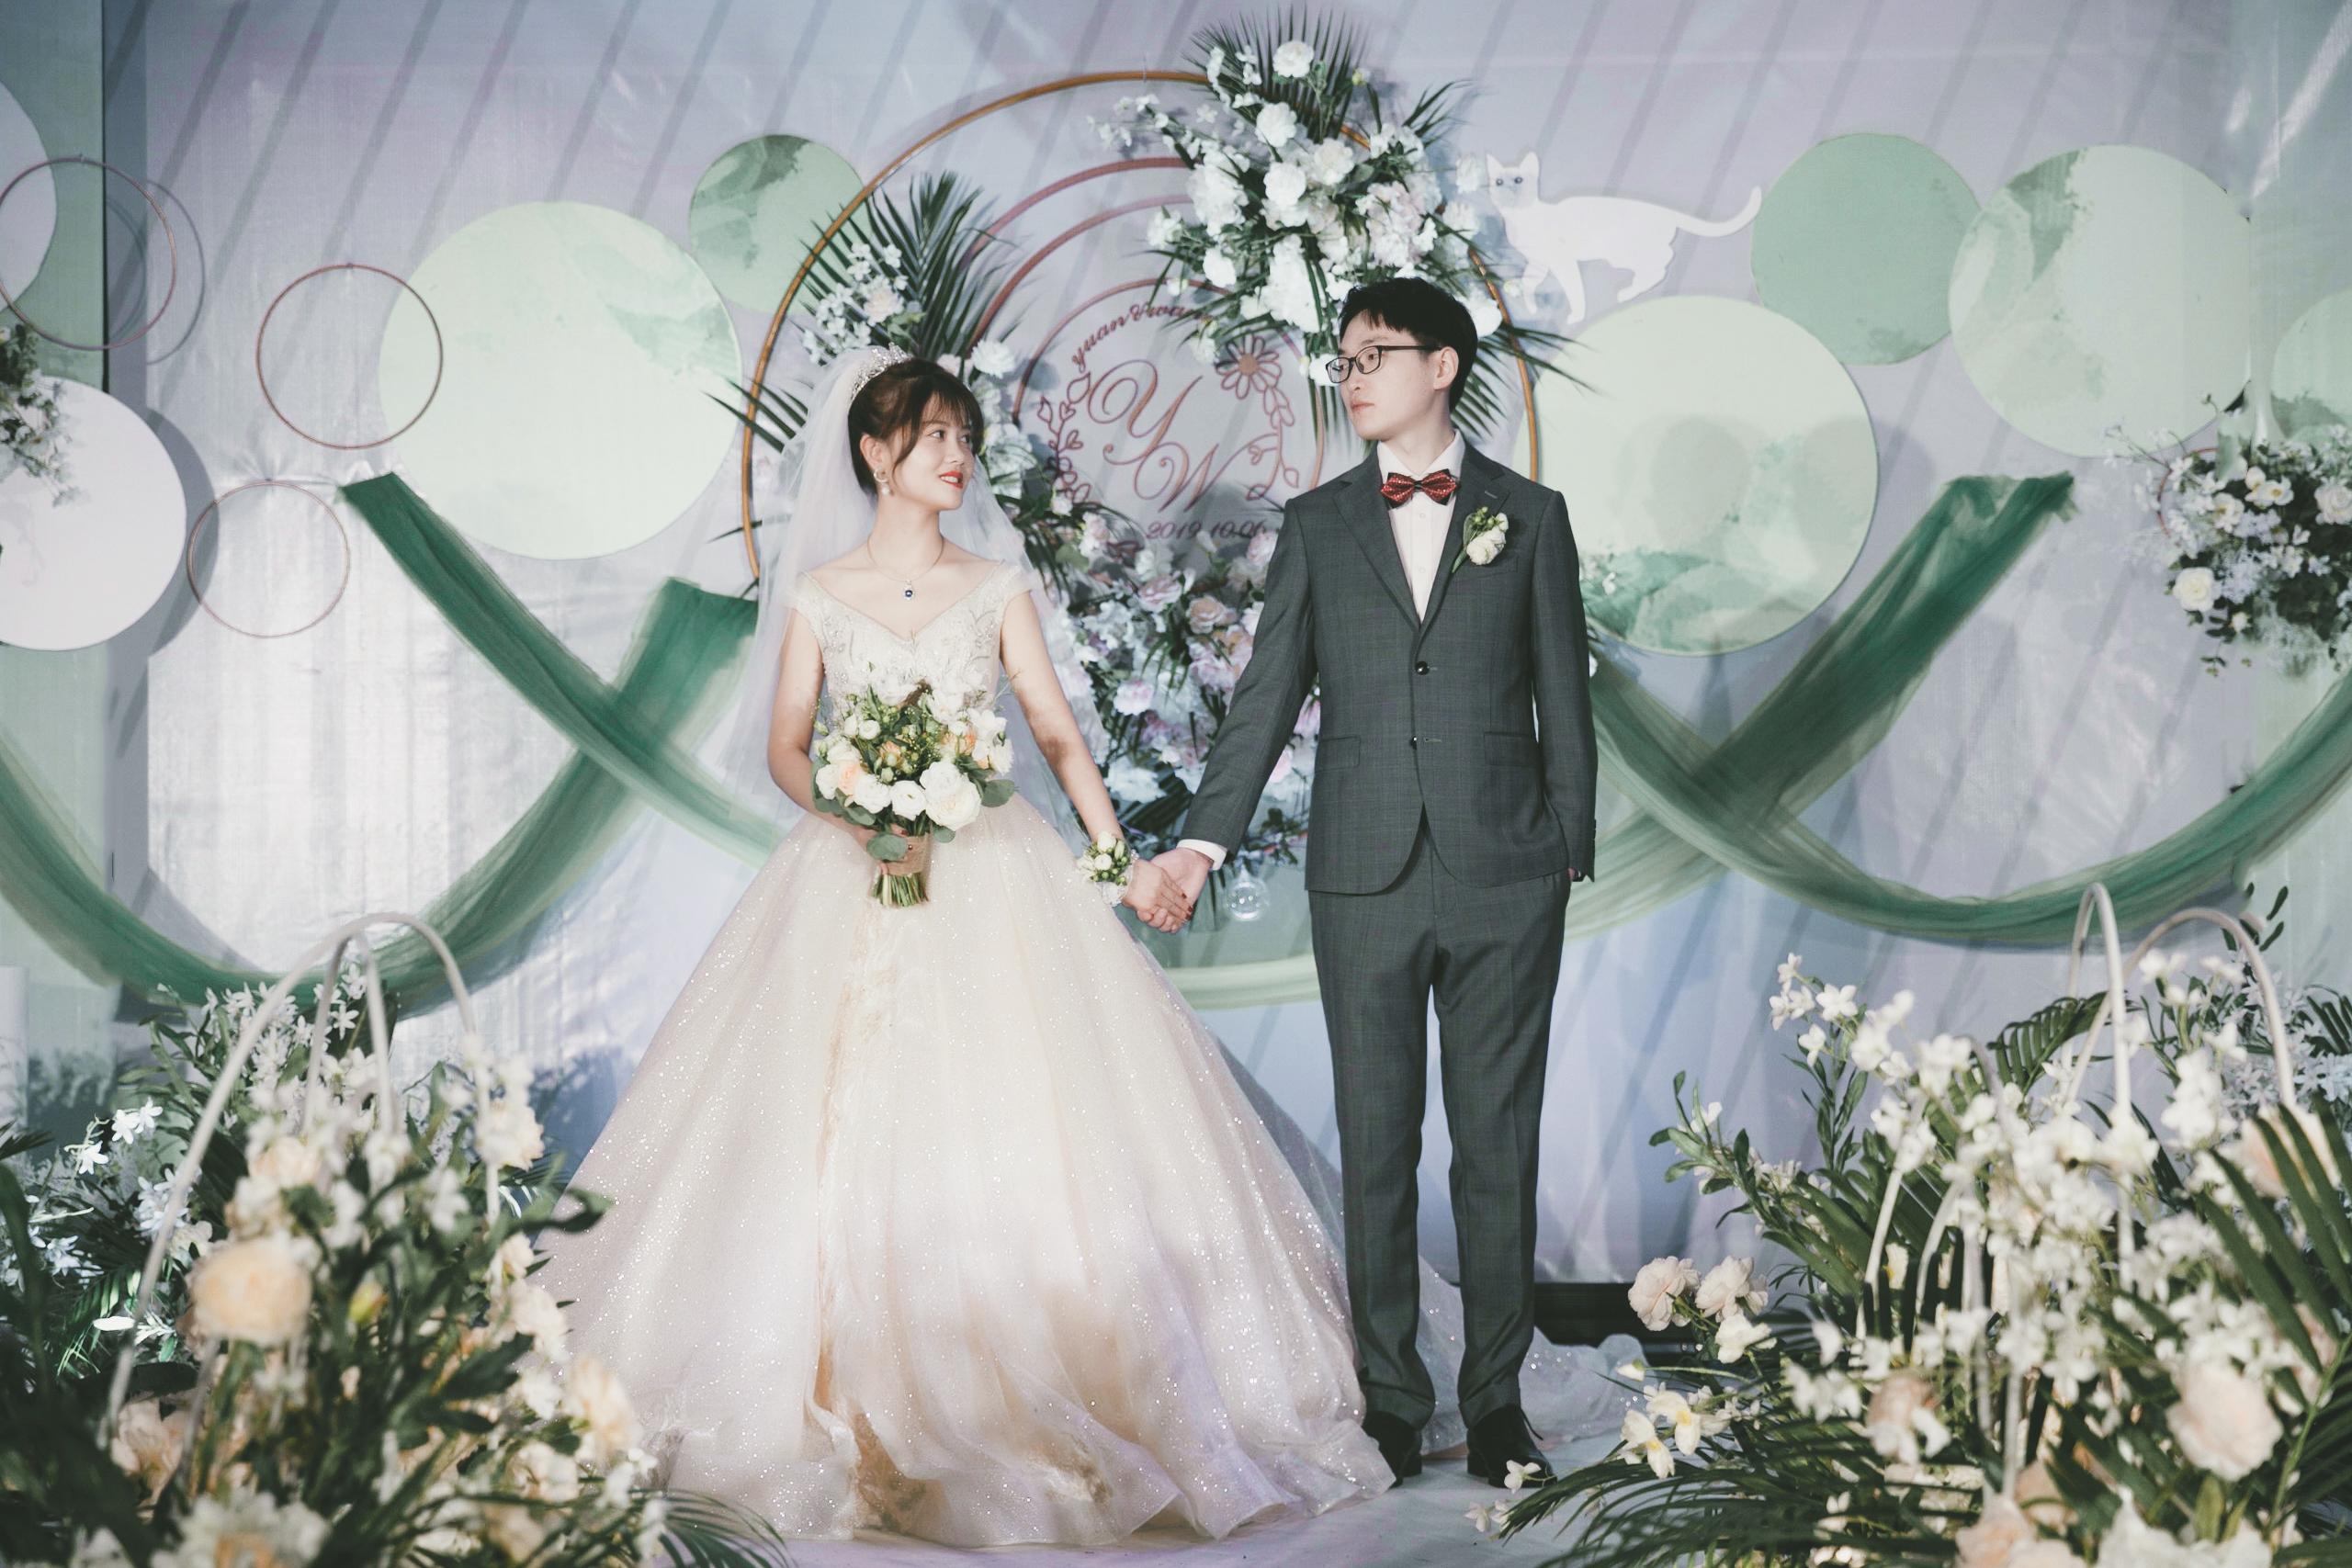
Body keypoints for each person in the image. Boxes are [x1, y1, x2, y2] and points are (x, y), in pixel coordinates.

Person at [536, 348, 1392, 1548]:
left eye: (964, 437)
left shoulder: (994, 587)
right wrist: (857, 815)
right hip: (851, 870)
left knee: (1027, 1104)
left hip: (991, 865)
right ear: (875, 453)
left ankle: (1053, 1386)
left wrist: (1121, 864)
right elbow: (787, 745)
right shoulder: (821, 593)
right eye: (933, 435)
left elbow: (1056, 734)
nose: (957, 456)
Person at [1151, 277, 1599, 1490]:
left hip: (1508, 873)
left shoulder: (1531, 516)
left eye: (1375, 355)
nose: (1351, 378)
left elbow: (1563, 691)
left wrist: (1566, 844)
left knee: (1498, 1146)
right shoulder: (1319, 524)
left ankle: (1497, 1406)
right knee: (1377, 1144)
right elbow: (1264, 701)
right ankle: (1393, 1403)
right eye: (1343, 360)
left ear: (1443, 365)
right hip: (1362, 874)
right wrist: (1201, 845)